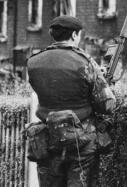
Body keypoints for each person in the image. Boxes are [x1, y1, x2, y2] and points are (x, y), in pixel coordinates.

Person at [27, 15, 116, 187]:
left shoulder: (33, 62)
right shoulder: (85, 62)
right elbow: (107, 105)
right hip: (81, 141)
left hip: (47, 138)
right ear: (74, 35)